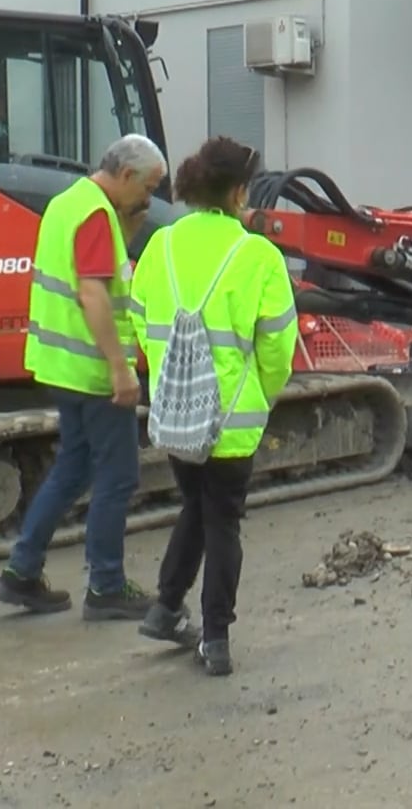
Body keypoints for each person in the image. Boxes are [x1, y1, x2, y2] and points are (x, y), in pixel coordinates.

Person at [130, 136, 298, 676]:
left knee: (197, 507)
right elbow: (278, 345)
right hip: (231, 420)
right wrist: (263, 394)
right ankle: (217, 638)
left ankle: (164, 607)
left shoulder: (161, 246)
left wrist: (167, 376)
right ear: (236, 192)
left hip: (176, 413)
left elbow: (140, 318)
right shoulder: (258, 255)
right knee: (223, 519)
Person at [0, 133, 168, 618]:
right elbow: (92, 293)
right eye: (149, 185)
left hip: (59, 365)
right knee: (118, 476)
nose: (151, 198)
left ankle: (21, 572)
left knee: (73, 467)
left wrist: (127, 230)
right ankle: (107, 586)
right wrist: (120, 369)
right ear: (126, 174)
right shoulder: (95, 216)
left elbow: (92, 274)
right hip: (94, 373)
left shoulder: (70, 202)